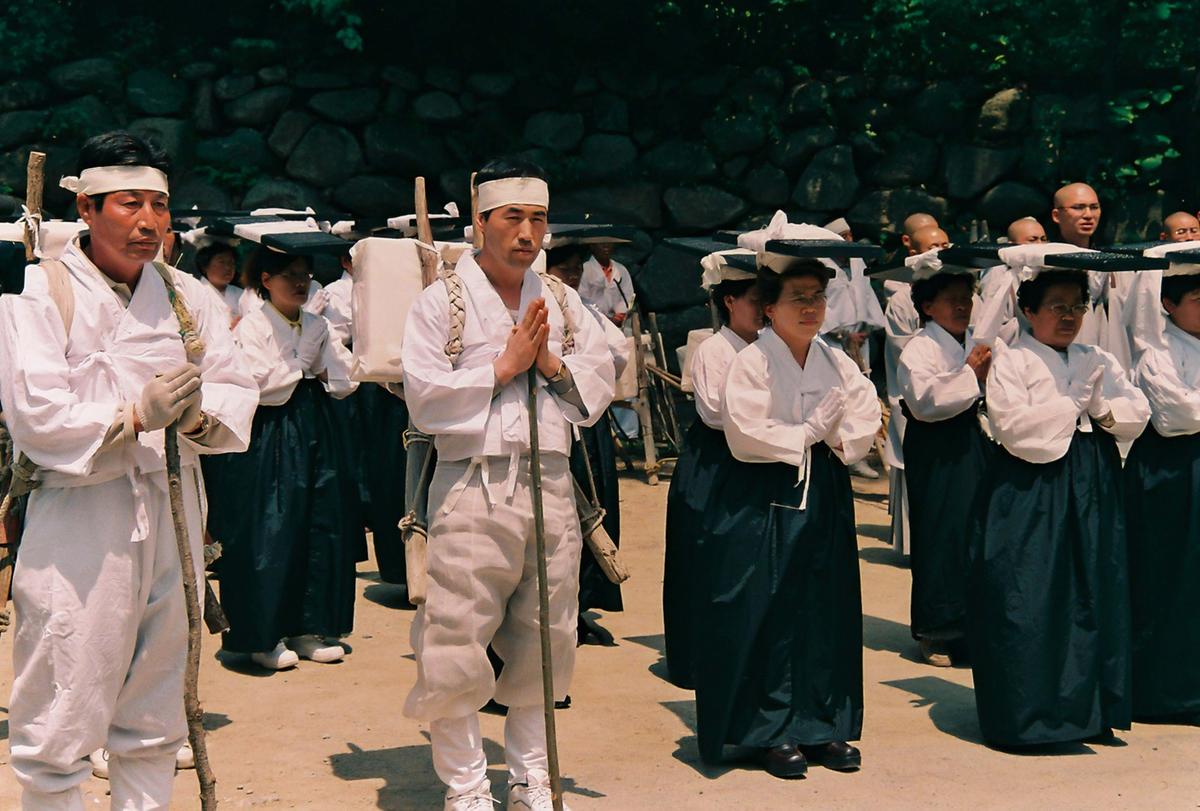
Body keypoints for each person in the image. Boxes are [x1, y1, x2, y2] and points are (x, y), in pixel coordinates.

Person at [0, 131, 257, 810]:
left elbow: (236, 383)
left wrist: (198, 418)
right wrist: (135, 415)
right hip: (81, 514)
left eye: (159, 205)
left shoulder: (188, 296)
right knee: (63, 699)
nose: (148, 221)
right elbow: (37, 415)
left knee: (155, 712)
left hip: (175, 508)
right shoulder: (39, 291)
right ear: (86, 207)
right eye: (129, 203)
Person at [400, 159, 614, 811]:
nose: (527, 232)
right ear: (480, 222)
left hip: (549, 482)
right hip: (473, 484)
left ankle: (531, 776)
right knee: (454, 638)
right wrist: (500, 368)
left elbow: (599, 382)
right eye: (512, 217)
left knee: (547, 637)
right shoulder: (442, 301)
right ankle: (467, 785)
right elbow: (424, 398)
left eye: (538, 218)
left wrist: (549, 364)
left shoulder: (563, 301)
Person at [696, 249, 880, 778]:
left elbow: (863, 410)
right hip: (763, 489)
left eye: (817, 297)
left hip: (823, 485)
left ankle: (823, 721)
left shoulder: (835, 359)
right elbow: (744, 430)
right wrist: (806, 432)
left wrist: (836, 437)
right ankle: (770, 728)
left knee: (825, 602)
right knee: (768, 604)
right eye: (797, 298)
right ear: (769, 308)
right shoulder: (752, 361)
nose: (810, 308)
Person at [970, 245, 1149, 748]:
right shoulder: (1013, 361)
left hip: (1091, 479)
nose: (1069, 316)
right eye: (1057, 306)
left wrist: (1102, 411)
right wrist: (1073, 405)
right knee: (1031, 590)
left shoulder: (1096, 357)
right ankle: (1030, 714)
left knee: (1094, 585)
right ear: (1029, 310)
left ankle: (1089, 711)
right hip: (1031, 486)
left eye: (1077, 306)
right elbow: (1015, 429)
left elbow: (1135, 410)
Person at [210, 246, 362, 670]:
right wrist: (303, 365)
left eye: (305, 275)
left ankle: (308, 627)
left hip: (315, 425)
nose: (299, 283)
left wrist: (317, 367)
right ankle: (264, 634)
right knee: (270, 527)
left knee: (318, 520)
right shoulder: (252, 325)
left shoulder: (317, 324)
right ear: (265, 280)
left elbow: (345, 377)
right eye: (289, 275)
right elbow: (259, 384)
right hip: (269, 431)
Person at [661, 249, 761, 689]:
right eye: (754, 300)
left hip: (755, 457)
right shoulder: (713, 350)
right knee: (705, 555)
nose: (763, 309)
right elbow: (718, 414)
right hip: (715, 462)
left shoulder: (770, 348)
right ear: (730, 301)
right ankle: (698, 659)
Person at [897, 252, 991, 667]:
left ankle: (971, 627)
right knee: (940, 531)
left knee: (973, 530)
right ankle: (936, 629)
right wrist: (970, 374)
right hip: (936, 445)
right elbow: (925, 402)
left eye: (966, 298)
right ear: (927, 306)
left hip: (972, 440)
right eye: (951, 299)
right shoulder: (919, 348)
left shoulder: (974, 342)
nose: (961, 306)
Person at [1124, 261, 1200, 723]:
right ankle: (1170, 693)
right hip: (1174, 477)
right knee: (1174, 577)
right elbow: (1178, 417)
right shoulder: (1157, 355)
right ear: (1169, 304)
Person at [545, 240, 630, 639]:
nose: (573, 277)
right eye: (565, 271)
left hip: (586, 418)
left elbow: (617, 354)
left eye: (578, 270)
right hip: (553, 422)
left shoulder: (586, 310)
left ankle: (580, 605)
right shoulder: (538, 306)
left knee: (594, 509)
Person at [882, 220, 949, 554]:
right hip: (914, 391)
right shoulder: (901, 300)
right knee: (914, 465)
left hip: (953, 390)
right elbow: (903, 350)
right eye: (933, 248)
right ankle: (913, 543)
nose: (940, 253)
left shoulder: (961, 293)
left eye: (945, 246)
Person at [579, 241, 634, 328]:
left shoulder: (621, 269)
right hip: (593, 322)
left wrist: (619, 315)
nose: (606, 246)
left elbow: (629, 295)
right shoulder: (585, 269)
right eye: (601, 243)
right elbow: (582, 299)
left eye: (609, 242)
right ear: (592, 246)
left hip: (620, 323)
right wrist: (603, 318)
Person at [195, 240, 242, 326]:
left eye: (231, 263)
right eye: (221, 262)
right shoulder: (196, 292)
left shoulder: (242, 295)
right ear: (204, 266)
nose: (228, 267)